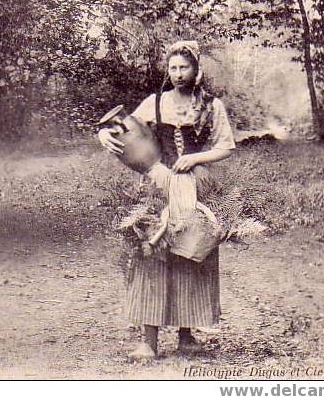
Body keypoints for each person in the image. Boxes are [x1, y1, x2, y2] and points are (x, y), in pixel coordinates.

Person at [98, 40, 235, 358]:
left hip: (195, 184)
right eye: (172, 68)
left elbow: (226, 146)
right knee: (153, 252)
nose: (177, 74)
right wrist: (103, 134)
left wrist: (197, 158)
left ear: (196, 69)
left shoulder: (212, 106)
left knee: (192, 252)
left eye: (183, 67)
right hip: (158, 182)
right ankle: (148, 340)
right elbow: (123, 130)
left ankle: (187, 334)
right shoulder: (154, 103)